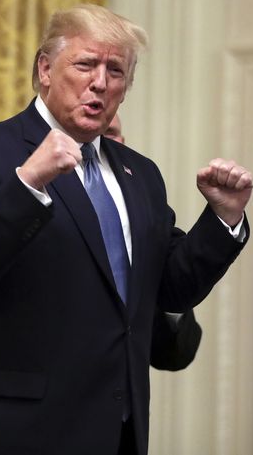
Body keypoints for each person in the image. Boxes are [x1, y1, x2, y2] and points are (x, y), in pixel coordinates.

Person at [0, 4, 252, 455]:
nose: (100, 82)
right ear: (45, 69)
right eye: (85, 64)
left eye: (116, 70)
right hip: (5, 430)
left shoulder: (139, 174)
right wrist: (28, 184)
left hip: (112, 428)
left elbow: (170, 289)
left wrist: (223, 219)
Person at [106, 113, 203, 371]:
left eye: (110, 134)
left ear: (122, 143)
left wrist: (169, 293)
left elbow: (175, 354)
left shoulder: (143, 207)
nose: (100, 142)